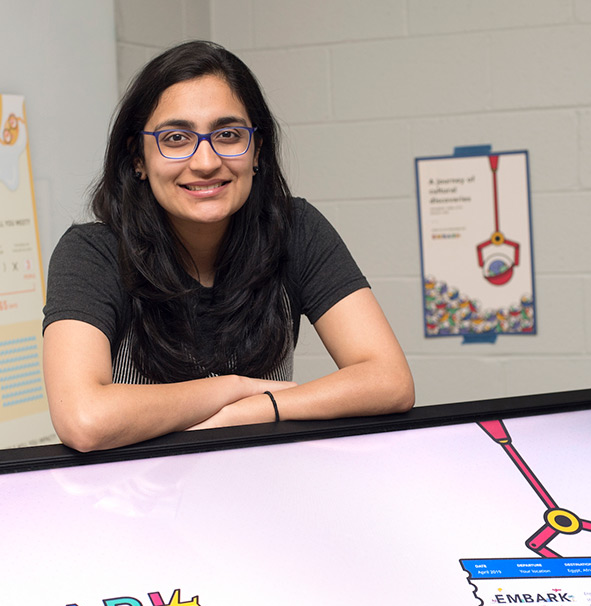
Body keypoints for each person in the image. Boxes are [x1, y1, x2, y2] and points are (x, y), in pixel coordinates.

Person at [42, 40, 413, 452]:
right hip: (142, 504)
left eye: (229, 134)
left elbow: (389, 380)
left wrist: (260, 409)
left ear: (257, 150)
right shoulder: (92, 253)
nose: (205, 161)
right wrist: (231, 389)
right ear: (138, 159)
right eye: (177, 137)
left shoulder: (294, 229)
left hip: (260, 490)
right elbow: (84, 419)